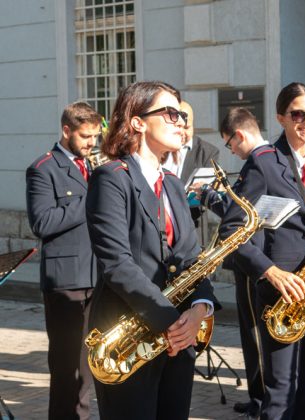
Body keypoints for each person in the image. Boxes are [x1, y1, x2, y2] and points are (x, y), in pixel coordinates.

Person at [219, 82, 305, 420]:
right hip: (281, 291)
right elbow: (231, 230)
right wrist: (270, 272)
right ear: (281, 118)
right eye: (298, 114)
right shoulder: (264, 162)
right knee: (281, 392)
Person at [85, 81, 215, 420]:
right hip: (129, 337)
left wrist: (200, 309)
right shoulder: (111, 178)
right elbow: (117, 265)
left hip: (178, 336)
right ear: (137, 122)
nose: (181, 122)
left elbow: (192, 258)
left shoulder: (173, 183)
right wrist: (172, 321)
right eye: (171, 113)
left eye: (182, 115)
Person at [26, 101, 101, 420]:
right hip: (66, 281)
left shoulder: (94, 167)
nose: (91, 143)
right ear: (66, 130)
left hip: (97, 275)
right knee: (66, 368)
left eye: (95, 136)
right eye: (85, 136)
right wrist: (91, 199)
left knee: (88, 366)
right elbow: (41, 223)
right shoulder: (43, 168)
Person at [217, 107, 271, 417]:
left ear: (239, 135)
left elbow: (239, 217)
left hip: (252, 258)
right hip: (259, 256)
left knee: (254, 333)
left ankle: (261, 399)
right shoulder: (270, 158)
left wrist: (214, 200)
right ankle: (259, 395)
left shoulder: (257, 164)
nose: (231, 151)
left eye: (229, 144)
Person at [162, 100, 220, 246]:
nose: (182, 132)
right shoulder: (160, 148)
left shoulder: (207, 152)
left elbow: (209, 193)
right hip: (161, 228)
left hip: (192, 228)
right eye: (178, 126)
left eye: (187, 127)